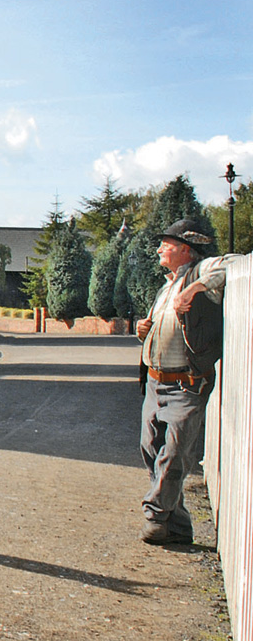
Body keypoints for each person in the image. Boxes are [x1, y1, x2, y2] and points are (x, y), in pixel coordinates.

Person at [135, 218, 226, 546]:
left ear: (186, 250)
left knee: (173, 454)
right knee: (151, 450)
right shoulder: (165, 286)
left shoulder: (201, 272)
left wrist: (195, 288)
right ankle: (180, 526)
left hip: (187, 384)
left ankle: (156, 515)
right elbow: (163, 325)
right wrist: (143, 330)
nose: (160, 248)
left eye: (167, 243)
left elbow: (232, 265)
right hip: (156, 383)